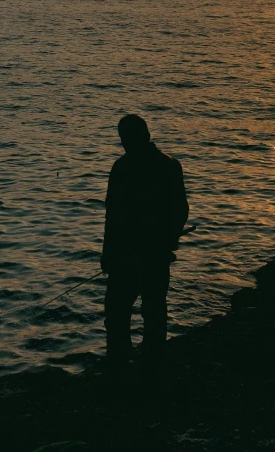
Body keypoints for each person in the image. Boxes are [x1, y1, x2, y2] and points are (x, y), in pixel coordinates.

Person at [101, 115, 189, 366]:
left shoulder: (122, 167)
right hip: (157, 254)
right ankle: (154, 360)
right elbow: (181, 210)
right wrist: (170, 238)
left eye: (124, 139)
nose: (124, 143)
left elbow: (113, 216)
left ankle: (119, 362)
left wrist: (108, 255)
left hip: (125, 255)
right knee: (154, 310)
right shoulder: (170, 165)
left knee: (117, 313)